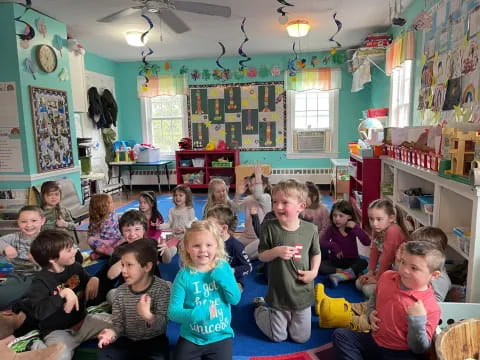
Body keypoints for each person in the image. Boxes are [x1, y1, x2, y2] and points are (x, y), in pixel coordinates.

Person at [315, 226, 451, 332]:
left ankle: (332, 317)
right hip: (391, 301)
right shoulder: (411, 265)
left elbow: (432, 305)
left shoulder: (440, 279)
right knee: (364, 306)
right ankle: (330, 305)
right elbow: (400, 277)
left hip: (400, 318)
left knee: (366, 322)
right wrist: (398, 263)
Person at [332, 240, 445, 359]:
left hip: (401, 353)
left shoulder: (431, 307)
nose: (405, 270)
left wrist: (417, 321)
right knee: (341, 335)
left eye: (414, 268)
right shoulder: (387, 277)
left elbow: (419, 348)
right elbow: (374, 297)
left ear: (434, 275)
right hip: (375, 340)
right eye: (403, 262)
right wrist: (370, 314)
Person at [253, 179, 321, 343]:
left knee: (301, 338)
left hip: (302, 294)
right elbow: (262, 255)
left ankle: (288, 318)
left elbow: (316, 253)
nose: (278, 206)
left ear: (301, 207)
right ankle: (259, 309)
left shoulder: (310, 229)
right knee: (278, 337)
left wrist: (314, 272)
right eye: (275, 201)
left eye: (285, 202)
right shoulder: (269, 227)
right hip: (278, 294)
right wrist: (275, 251)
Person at [27, 229, 110, 360]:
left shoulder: (75, 267)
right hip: (58, 333)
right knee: (59, 357)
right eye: (69, 250)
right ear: (52, 259)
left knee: (122, 324)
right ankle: (35, 346)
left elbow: (87, 280)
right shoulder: (40, 282)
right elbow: (38, 312)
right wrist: (62, 295)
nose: (75, 251)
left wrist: (94, 279)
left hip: (84, 323)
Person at [168, 220, 241, 360]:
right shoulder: (184, 276)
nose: (203, 250)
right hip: (192, 337)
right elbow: (172, 312)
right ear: (187, 248)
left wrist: (224, 279)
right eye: (196, 245)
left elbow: (235, 299)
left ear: (217, 246)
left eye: (209, 245)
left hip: (220, 336)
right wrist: (197, 314)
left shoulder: (223, 267)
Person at [97, 239, 171, 360]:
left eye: (129, 265)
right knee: (104, 354)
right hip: (127, 341)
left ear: (147, 266)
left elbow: (162, 324)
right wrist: (111, 333)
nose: (123, 271)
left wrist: (148, 316)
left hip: (154, 342)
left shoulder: (161, 289)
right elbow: (118, 324)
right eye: (122, 265)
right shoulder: (120, 292)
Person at [97, 210, 174, 304]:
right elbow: (111, 275)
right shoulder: (120, 251)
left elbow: (167, 260)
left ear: (144, 230)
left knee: (169, 285)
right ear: (122, 232)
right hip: (131, 294)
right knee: (111, 295)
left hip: (153, 288)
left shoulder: (151, 243)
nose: (132, 234)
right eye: (127, 230)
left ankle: (149, 305)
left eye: (137, 229)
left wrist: (165, 249)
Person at [356, 199, 408, 299]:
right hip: (386, 269)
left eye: (379, 219)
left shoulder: (393, 231)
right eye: (371, 219)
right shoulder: (378, 228)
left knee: (367, 290)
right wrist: (371, 272)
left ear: (391, 218)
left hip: (399, 272)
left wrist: (377, 278)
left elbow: (387, 258)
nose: (374, 223)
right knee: (359, 284)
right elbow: (374, 250)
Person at [319, 200, 371, 287]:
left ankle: (340, 276)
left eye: (341, 216)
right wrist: (334, 246)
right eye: (335, 215)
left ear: (349, 217)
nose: (337, 219)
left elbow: (367, 242)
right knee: (321, 266)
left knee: (363, 262)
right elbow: (322, 242)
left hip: (352, 260)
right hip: (336, 261)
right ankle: (347, 273)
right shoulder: (331, 229)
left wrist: (356, 228)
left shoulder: (353, 228)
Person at [206, 205, 252, 290]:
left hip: (233, 280)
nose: (207, 229)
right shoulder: (209, 242)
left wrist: (232, 271)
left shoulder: (236, 246)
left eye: (210, 226)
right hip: (214, 277)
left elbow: (248, 267)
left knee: (232, 294)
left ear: (224, 228)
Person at [232, 163, 272, 260]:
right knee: (230, 248)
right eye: (250, 185)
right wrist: (238, 194)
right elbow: (234, 210)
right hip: (245, 237)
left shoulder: (266, 198)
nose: (252, 187)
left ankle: (263, 251)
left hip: (259, 239)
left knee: (244, 254)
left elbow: (258, 195)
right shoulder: (248, 199)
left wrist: (258, 177)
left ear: (264, 186)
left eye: (256, 184)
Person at [0, 206, 45, 276]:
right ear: (18, 222)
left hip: (37, 274)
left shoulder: (48, 239)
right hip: (13, 272)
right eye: (23, 221)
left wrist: (38, 261)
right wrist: (5, 247)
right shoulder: (14, 237)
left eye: (34, 221)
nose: (29, 225)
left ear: (42, 221)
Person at [87, 194, 122, 260]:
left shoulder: (113, 213)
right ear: (101, 207)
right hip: (105, 243)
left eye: (112, 202)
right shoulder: (95, 221)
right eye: (109, 203)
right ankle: (108, 253)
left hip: (117, 240)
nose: (113, 204)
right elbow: (94, 236)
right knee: (90, 240)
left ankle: (103, 254)